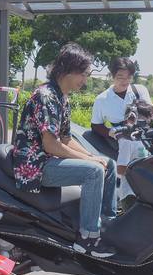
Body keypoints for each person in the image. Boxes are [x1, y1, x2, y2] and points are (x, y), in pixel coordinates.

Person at [13, 43, 117, 258]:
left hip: (49, 160)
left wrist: (92, 156)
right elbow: (51, 145)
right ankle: (87, 239)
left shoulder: (62, 97)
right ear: (68, 70)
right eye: (83, 74)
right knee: (93, 172)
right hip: (35, 166)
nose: (85, 81)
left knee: (108, 164)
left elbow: (66, 139)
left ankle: (107, 227)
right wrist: (90, 163)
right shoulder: (46, 96)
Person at [91, 57, 152, 208]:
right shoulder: (102, 99)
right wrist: (111, 132)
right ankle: (127, 200)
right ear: (111, 76)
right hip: (121, 136)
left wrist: (141, 114)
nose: (125, 81)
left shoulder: (140, 90)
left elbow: (151, 112)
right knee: (128, 159)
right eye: (120, 77)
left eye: (129, 77)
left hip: (144, 135)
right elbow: (96, 125)